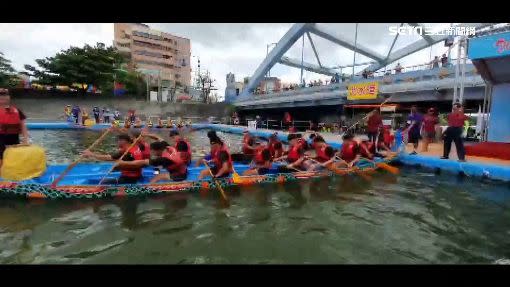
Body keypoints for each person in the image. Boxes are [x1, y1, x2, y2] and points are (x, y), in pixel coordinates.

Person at [116, 140, 189, 183]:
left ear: (156, 150)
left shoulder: (164, 159)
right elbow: (159, 139)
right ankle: (158, 176)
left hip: (181, 175)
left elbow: (143, 162)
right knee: (157, 172)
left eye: (152, 151)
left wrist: (123, 163)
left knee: (158, 177)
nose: (151, 153)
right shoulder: (168, 147)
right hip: (182, 169)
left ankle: (147, 188)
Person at [0, 88, 30, 167]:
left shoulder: (16, 110)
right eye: (0, 95)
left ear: (9, 97)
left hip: (13, 139)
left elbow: (23, 126)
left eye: (5, 95)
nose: (2, 97)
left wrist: (26, 139)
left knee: (14, 157)